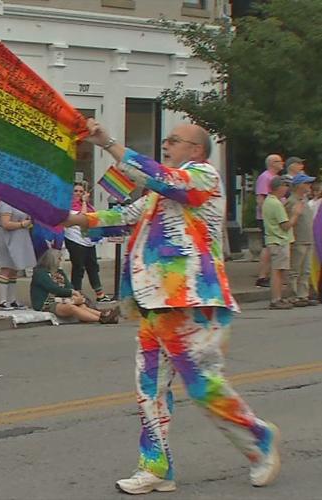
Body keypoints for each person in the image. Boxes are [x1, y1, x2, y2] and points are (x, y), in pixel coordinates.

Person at [65, 119, 281, 494]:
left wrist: (109, 143)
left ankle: (259, 438)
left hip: (189, 302)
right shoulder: (161, 191)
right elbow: (126, 218)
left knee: (202, 387)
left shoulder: (201, 178)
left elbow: (161, 178)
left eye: (174, 141)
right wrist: (75, 218)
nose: (166, 145)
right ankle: (156, 467)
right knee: (149, 388)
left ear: (196, 150)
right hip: (155, 302)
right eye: (166, 141)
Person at [30, 249, 118, 324]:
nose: (61, 261)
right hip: (46, 303)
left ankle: (103, 315)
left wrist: (74, 295)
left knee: (81, 305)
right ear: (51, 260)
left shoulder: (59, 272)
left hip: (61, 299)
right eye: (59, 259)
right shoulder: (40, 273)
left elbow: (69, 286)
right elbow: (54, 289)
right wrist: (72, 292)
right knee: (71, 308)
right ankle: (101, 319)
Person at [64, 182, 112, 303]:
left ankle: (100, 294)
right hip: (75, 240)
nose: (78, 193)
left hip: (88, 241)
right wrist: (84, 202)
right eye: (76, 191)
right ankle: (77, 293)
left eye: (81, 191)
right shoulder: (68, 205)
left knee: (93, 267)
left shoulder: (90, 206)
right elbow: (82, 218)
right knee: (78, 267)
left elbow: (93, 220)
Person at [263, 176, 300, 309]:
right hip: (279, 240)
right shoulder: (276, 204)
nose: (286, 189)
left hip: (273, 240)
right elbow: (285, 225)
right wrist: (295, 214)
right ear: (279, 187)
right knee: (278, 272)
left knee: (279, 271)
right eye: (285, 186)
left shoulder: (269, 201)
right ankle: (276, 299)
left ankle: (278, 298)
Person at [0, 200, 36, 309]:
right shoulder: (6, 204)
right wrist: (22, 224)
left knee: (13, 269)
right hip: (7, 238)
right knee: (6, 267)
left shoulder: (20, 203)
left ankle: (12, 300)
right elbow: (5, 223)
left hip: (18, 238)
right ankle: (3, 301)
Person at [285, 174, 317, 306]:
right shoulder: (291, 201)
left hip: (308, 239)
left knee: (306, 270)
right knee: (295, 269)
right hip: (298, 239)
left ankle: (303, 295)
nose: (309, 186)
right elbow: (287, 221)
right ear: (299, 185)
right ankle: (293, 295)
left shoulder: (304, 201)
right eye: (307, 183)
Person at [254, 154, 284, 287]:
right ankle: (262, 277)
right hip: (267, 218)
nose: (282, 163)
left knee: (274, 246)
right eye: (279, 161)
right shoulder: (265, 177)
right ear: (272, 163)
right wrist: (267, 216)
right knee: (267, 246)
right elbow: (260, 198)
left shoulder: (276, 178)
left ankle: (272, 275)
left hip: (277, 216)